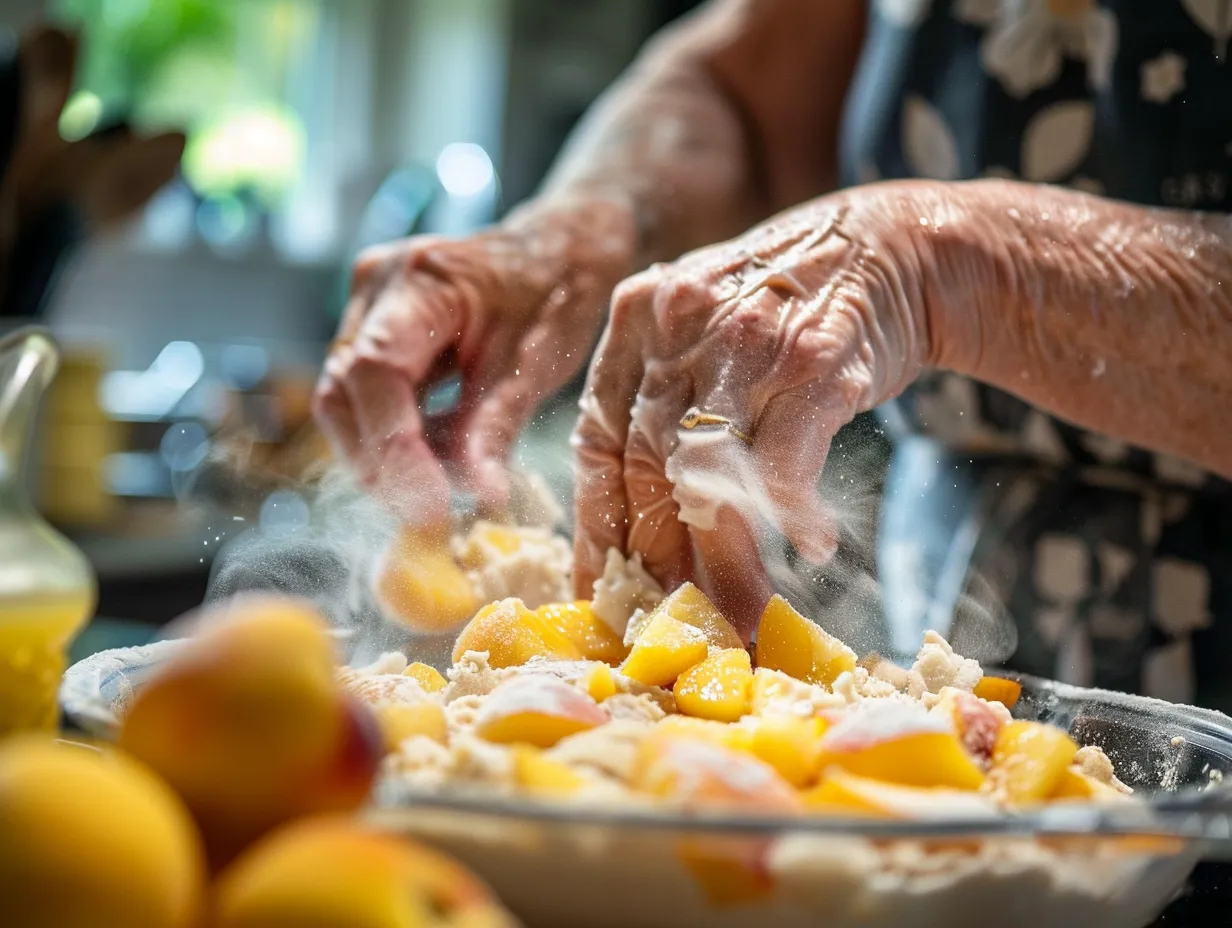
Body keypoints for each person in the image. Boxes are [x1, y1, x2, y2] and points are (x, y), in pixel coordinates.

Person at [314, 0, 1232, 712]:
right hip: (961, 634)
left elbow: (936, 256)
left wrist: (950, 263)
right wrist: (576, 231)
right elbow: (745, 99)